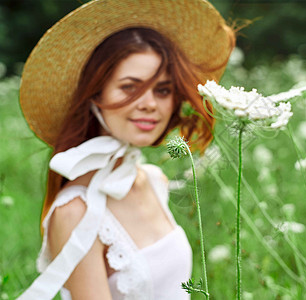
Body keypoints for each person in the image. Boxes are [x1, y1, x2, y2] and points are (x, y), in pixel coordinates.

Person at [18, 0, 235, 299]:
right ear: (95, 95)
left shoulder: (154, 180)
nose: (149, 103)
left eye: (162, 90)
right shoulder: (74, 213)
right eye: (130, 87)